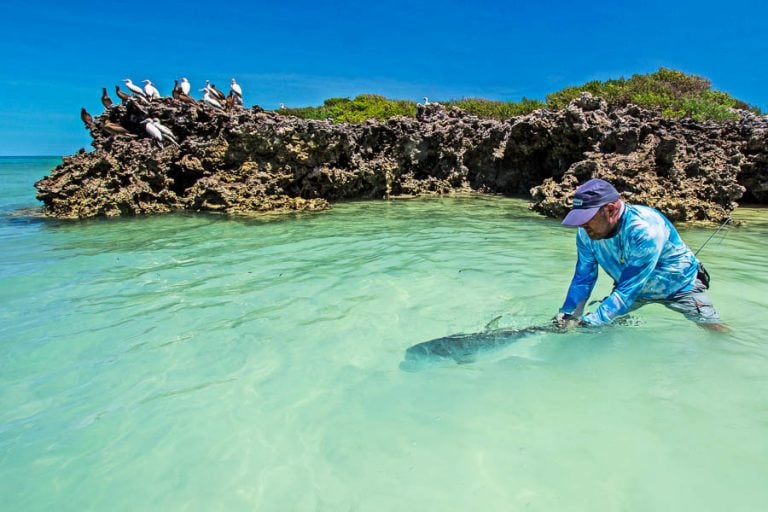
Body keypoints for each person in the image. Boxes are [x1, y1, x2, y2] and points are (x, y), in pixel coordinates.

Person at [555, 178, 726, 331]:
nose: (582, 224)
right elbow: (583, 278)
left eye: (587, 217)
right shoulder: (586, 232)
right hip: (631, 287)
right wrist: (568, 314)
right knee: (607, 328)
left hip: (680, 286)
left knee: (713, 327)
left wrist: (586, 324)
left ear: (611, 210)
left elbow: (626, 293)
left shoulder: (645, 230)